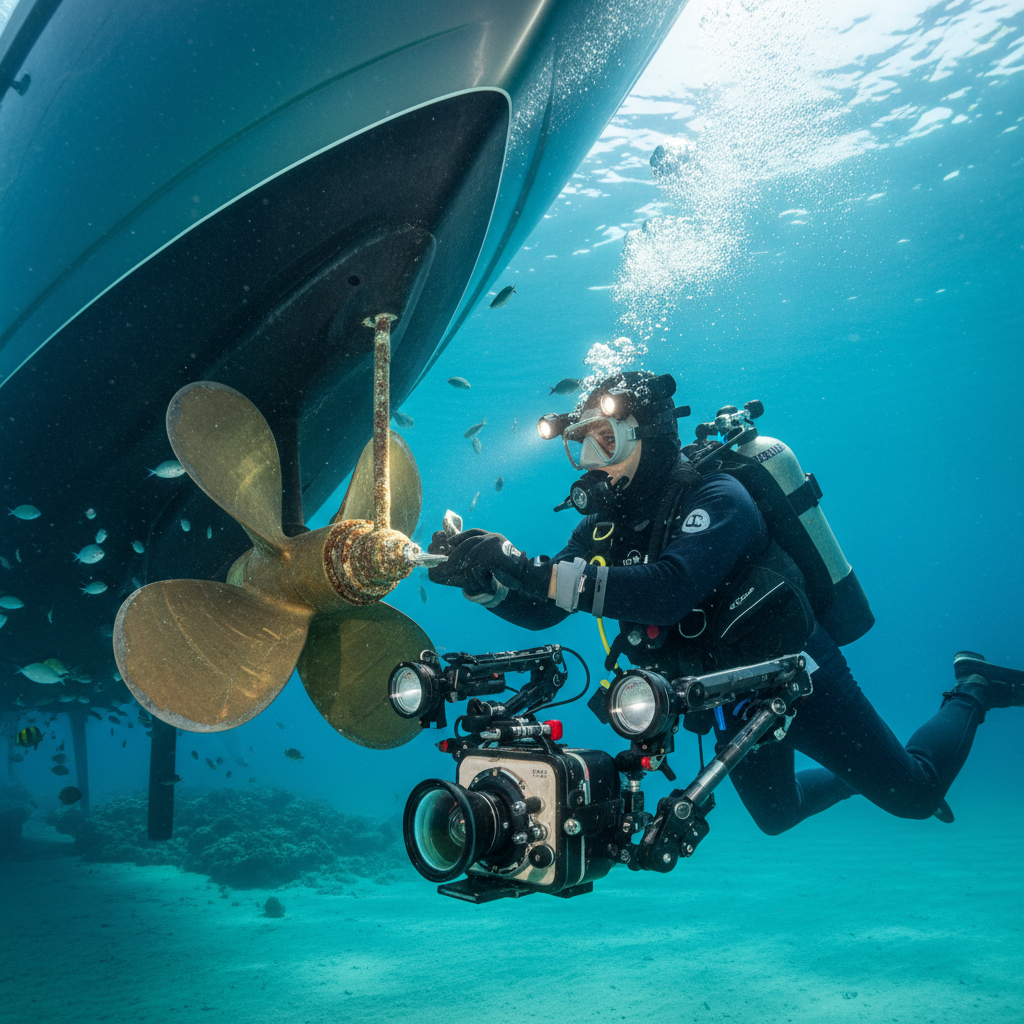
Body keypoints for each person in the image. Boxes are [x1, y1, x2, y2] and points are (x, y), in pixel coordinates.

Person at [428, 371, 1023, 834]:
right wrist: (486, 585)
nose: (592, 463)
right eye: (580, 446)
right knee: (777, 816)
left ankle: (973, 688)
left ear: (652, 433)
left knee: (915, 797)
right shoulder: (603, 529)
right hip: (724, 695)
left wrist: (524, 568)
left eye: (607, 441)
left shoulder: (718, 493)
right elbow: (546, 609)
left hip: (793, 673)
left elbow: (667, 591)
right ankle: (859, 776)